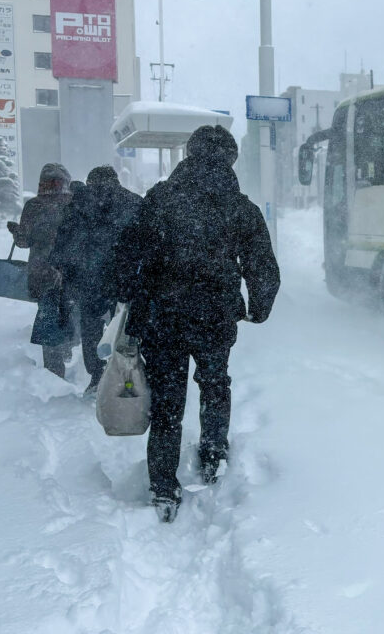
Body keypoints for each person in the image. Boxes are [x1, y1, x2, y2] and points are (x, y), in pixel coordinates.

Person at [115, 124, 280, 522]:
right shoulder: (241, 208)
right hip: (214, 315)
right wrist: (257, 307)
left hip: (163, 316)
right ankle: (213, 456)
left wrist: (128, 293)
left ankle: (163, 487)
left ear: (190, 154)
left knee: (168, 401)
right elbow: (263, 268)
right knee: (214, 383)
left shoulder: (160, 198)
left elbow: (127, 253)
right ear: (230, 159)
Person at [51, 166, 142, 395]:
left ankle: (97, 375)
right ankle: (125, 377)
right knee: (123, 327)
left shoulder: (78, 203)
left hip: (88, 278)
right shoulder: (134, 202)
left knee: (91, 328)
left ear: (90, 181)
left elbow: (64, 241)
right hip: (125, 279)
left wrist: (64, 266)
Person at [8, 163, 73, 378]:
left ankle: (54, 371)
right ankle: (68, 352)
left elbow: (24, 241)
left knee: (48, 316)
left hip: (42, 273)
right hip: (69, 272)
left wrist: (16, 231)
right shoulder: (73, 203)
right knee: (70, 312)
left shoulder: (33, 206)